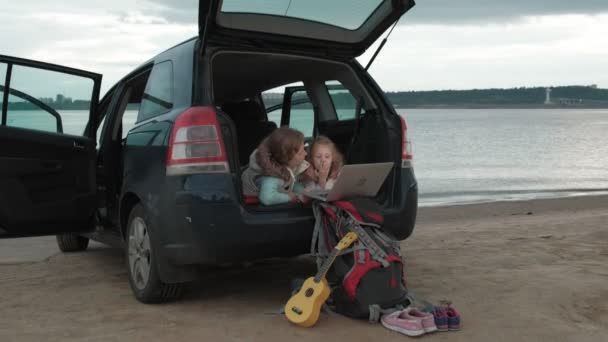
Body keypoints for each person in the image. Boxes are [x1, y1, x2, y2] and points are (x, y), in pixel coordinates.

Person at [241, 127, 310, 205]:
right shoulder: (271, 176)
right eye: (301, 152)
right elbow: (266, 198)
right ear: (286, 158)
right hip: (253, 205)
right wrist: (291, 197)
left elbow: (291, 183)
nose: (305, 153)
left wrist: (304, 192)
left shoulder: (284, 165)